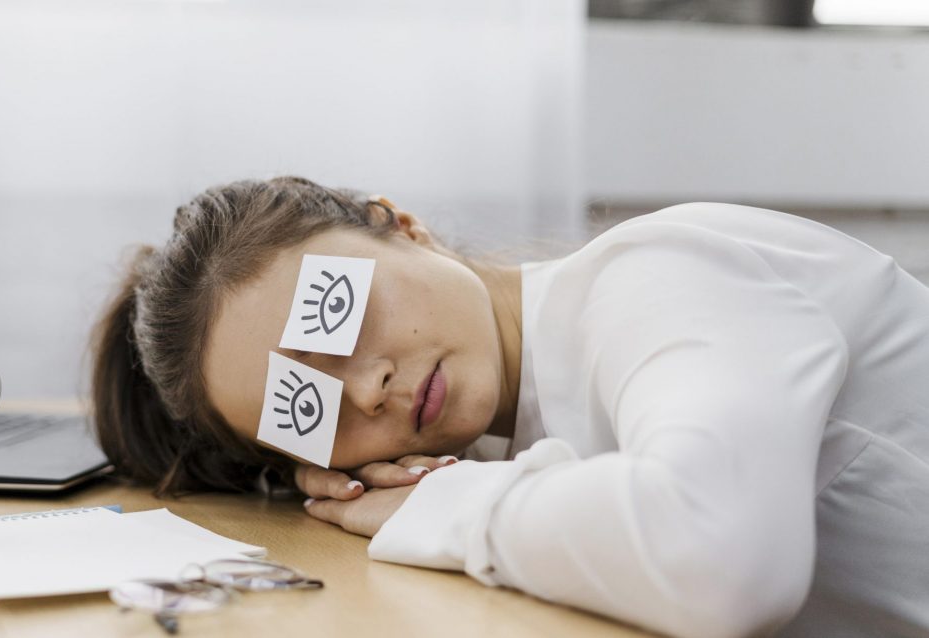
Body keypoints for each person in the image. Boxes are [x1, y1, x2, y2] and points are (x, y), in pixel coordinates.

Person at [91, 176, 929, 638]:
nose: (363, 389)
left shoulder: (659, 275)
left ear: (402, 225)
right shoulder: (494, 438)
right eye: (305, 409)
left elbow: (725, 565)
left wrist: (446, 507)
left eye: (336, 313)